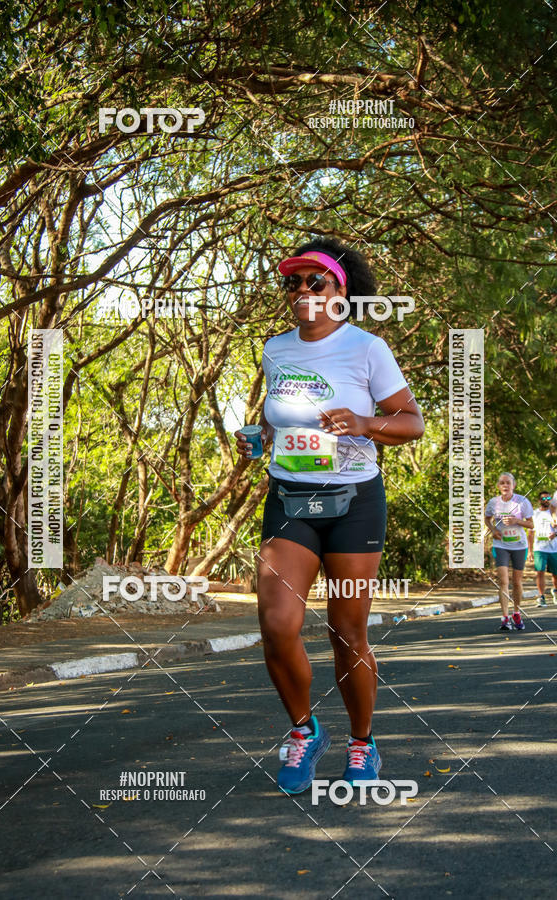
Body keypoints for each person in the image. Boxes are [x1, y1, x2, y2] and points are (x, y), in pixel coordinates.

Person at [235, 237, 424, 795]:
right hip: (291, 498)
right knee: (277, 625)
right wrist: (259, 436)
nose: (301, 290)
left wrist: (366, 424)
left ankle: (362, 743)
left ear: (341, 291)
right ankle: (304, 730)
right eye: (292, 282)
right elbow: (278, 416)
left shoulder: (367, 348)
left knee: (347, 631)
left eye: (314, 281)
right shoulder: (275, 349)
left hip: (353, 502)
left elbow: (411, 422)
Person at [484, 473, 533, 631]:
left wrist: (516, 521)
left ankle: (516, 613)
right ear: (498, 486)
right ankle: (505, 618)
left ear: (514, 485)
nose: (505, 485)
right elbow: (487, 519)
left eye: (508, 483)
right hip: (501, 545)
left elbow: (531, 524)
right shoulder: (493, 502)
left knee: (517, 582)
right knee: (503, 581)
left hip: (519, 545)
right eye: (502, 483)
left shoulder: (522, 502)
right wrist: (493, 530)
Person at [529, 490, 557, 607]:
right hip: (539, 548)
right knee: (539, 571)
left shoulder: (554, 512)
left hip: (554, 548)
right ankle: (541, 596)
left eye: (548, 498)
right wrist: (530, 551)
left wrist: (555, 534)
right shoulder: (534, 514)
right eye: (543, 498)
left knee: (555, 574)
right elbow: (531, 533)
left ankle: (555, 591)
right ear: (539, 500)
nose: (546, 500)